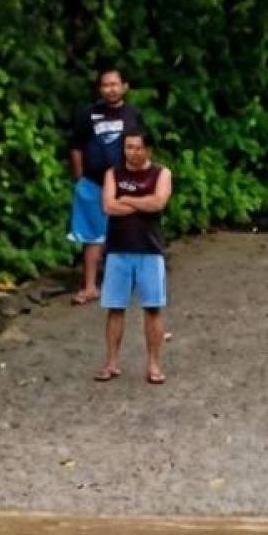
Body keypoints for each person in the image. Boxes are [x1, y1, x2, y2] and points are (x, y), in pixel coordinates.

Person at [96, 131, 174, 385]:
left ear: (148, 150)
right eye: (128, 147)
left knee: (152, 308)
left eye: (138, 148)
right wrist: (143, 202)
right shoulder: (113, 173)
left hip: (150, 250)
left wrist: (127, 199)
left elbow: (158, 202)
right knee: (115, 308)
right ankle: (111, 362)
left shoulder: (161, 174)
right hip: (118, 249)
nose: (132, 152)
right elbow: (108, 206)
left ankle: (153, 364)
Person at [67, 66, 147, 305]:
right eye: (105, 85)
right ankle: (90, 286)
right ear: (100, 88)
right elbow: (75, 147)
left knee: (131, 230)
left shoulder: (133, 114)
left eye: (114, 84)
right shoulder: (88, 115)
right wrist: (80, 177)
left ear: (125, 86)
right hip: (93, 182)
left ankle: (131, 280)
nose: (110, 89)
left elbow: (142, 146)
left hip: (125, 182)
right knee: (93, 236)